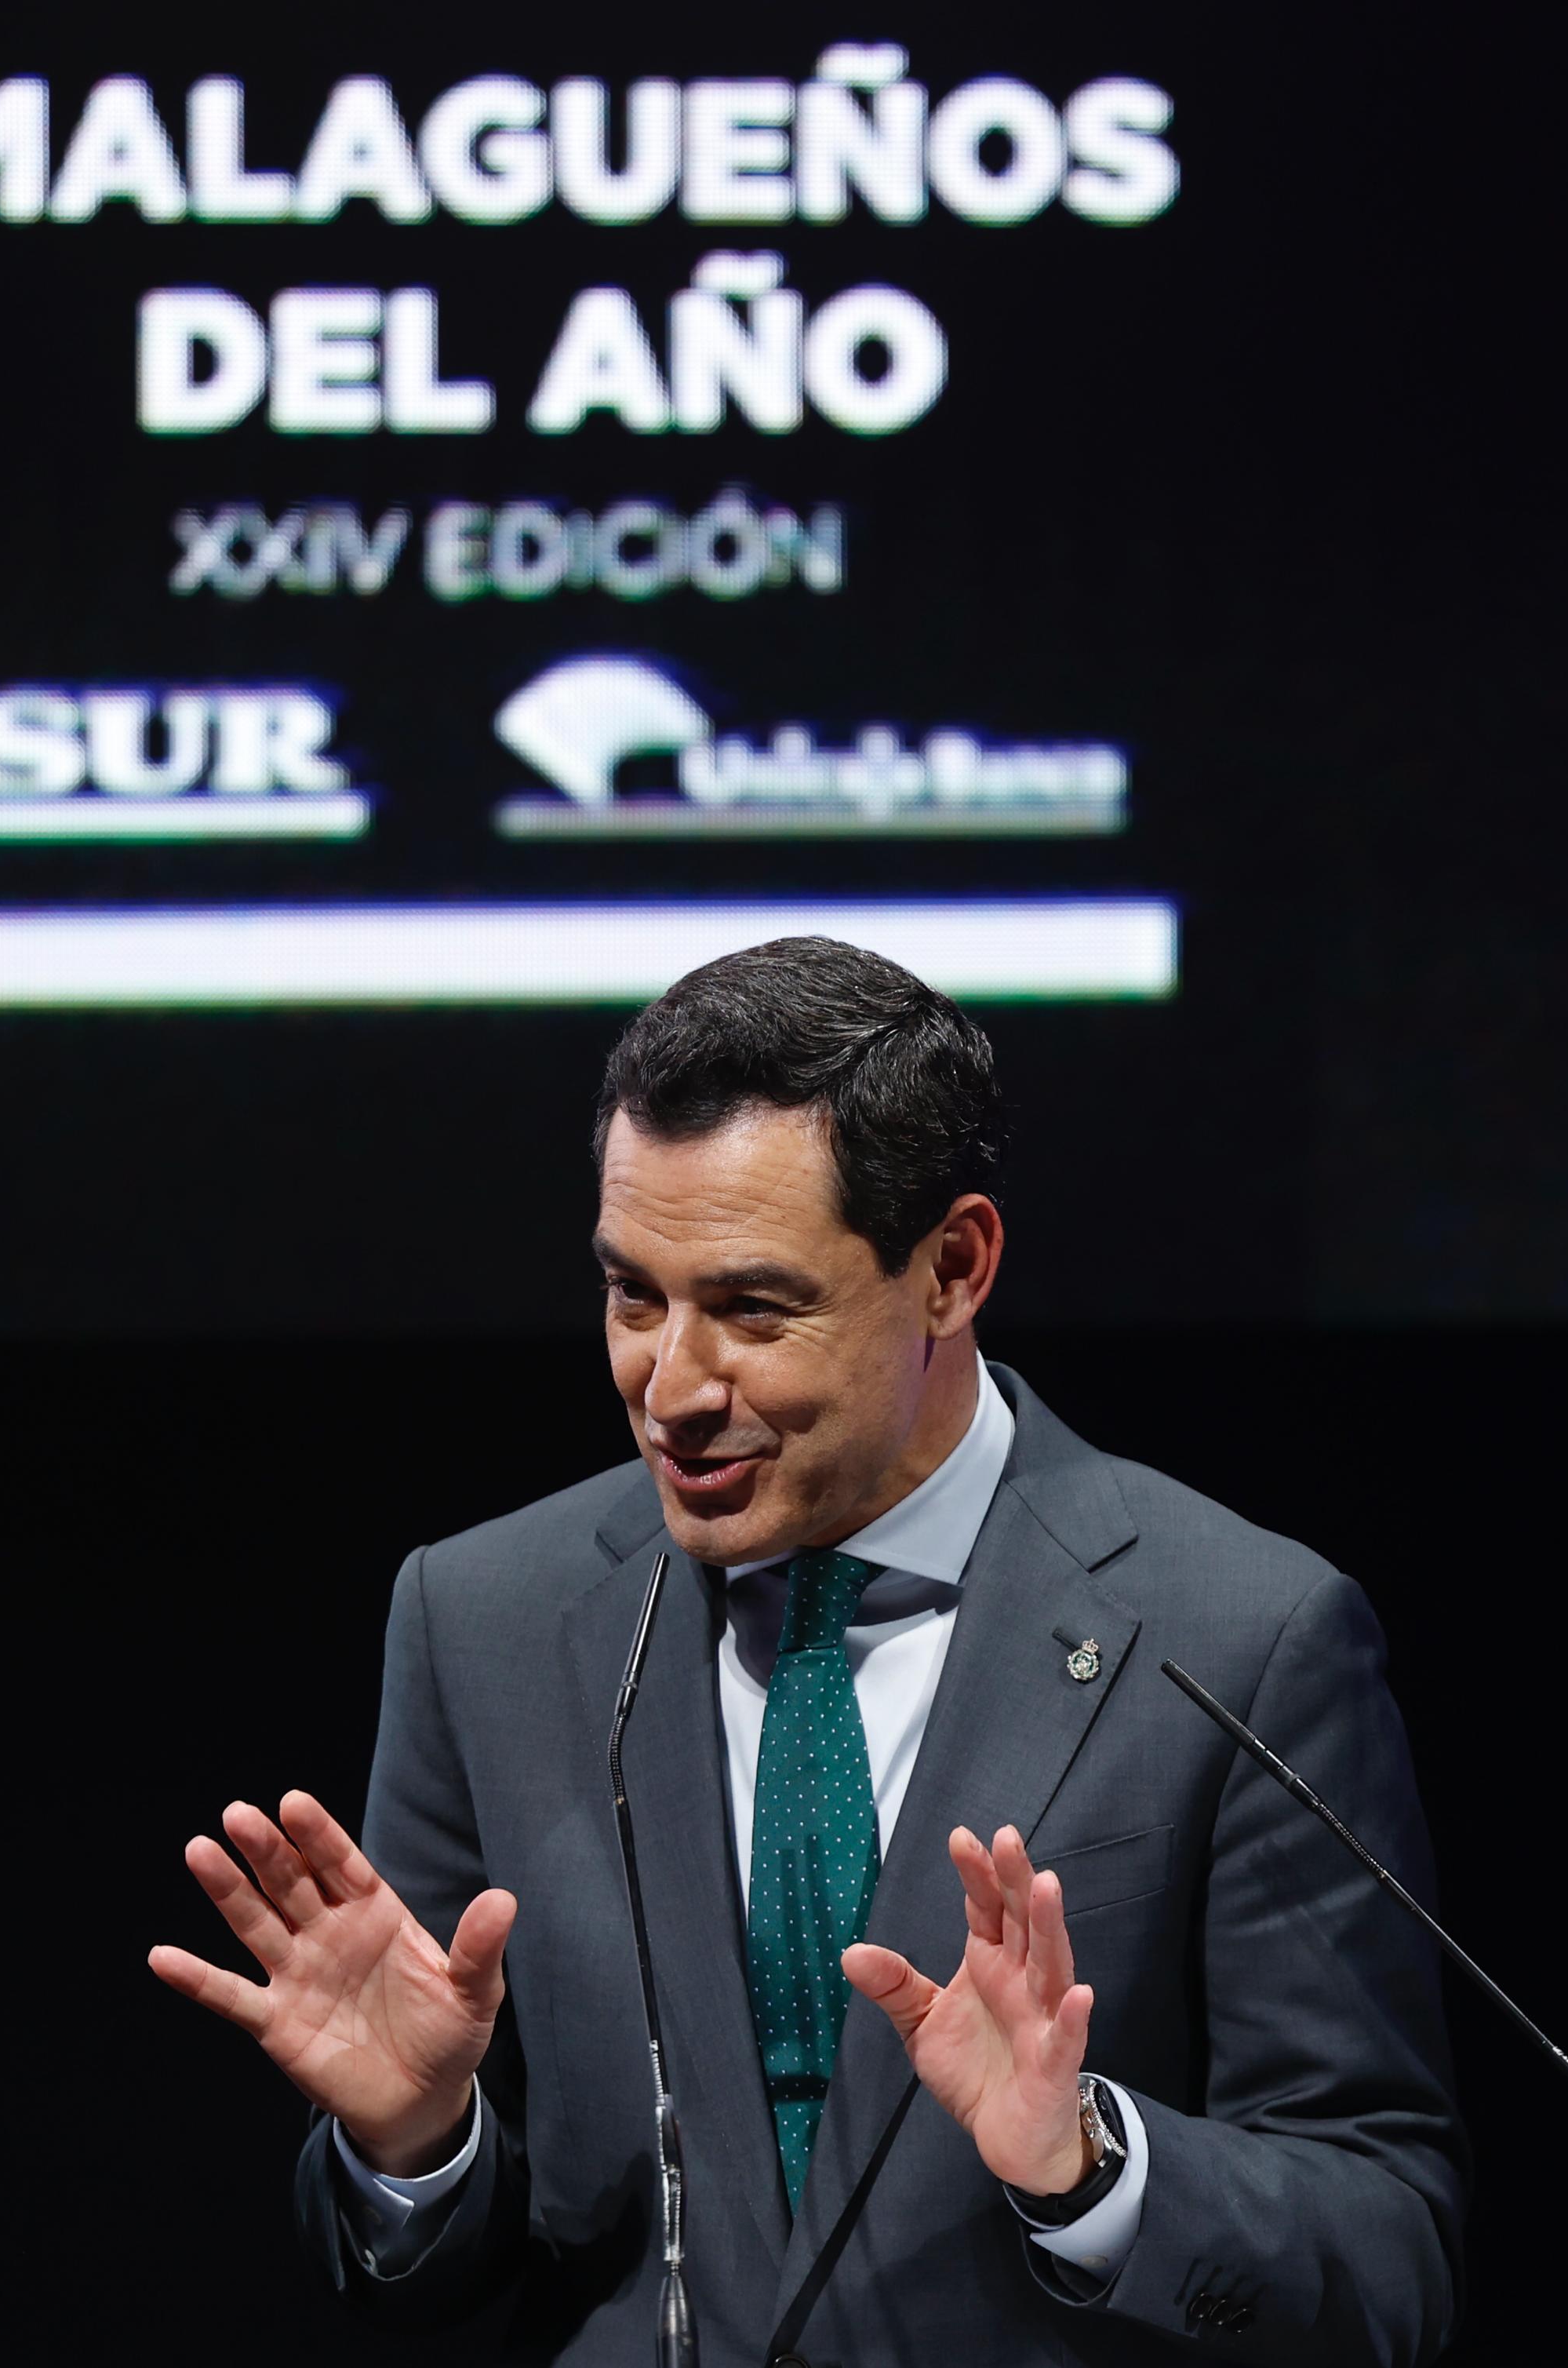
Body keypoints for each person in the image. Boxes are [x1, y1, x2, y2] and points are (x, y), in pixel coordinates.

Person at [148, 937, 1465, 2363]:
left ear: (952, 1267)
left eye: (752, 1309)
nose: (670, 1387)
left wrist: (1089, 2164)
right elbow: (430, 2269)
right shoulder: (487, 1619)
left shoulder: (1240, 1637)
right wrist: (415, 2140)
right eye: (633, 1295)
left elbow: (1391, 2255)